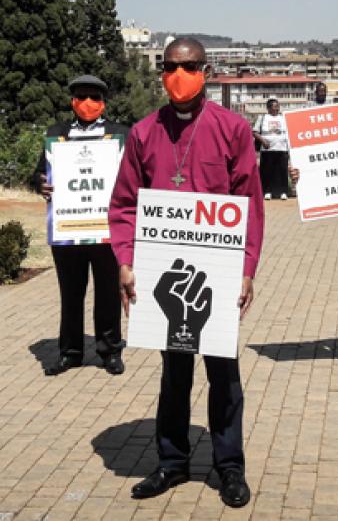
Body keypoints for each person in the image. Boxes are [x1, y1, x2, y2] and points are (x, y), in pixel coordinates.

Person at [109, 37, 264, 508]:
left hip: (216, 274)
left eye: (190, 66)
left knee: (224, 374)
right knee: (174, 375)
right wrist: (125, 260)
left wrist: (246, 269)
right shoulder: (142, 132)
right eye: (172, 66)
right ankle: (172, 462)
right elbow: (124, 204)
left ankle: (229, 466)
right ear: (162, 72)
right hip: (164, 277)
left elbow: (250, 203)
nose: (180, 75)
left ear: (206, 70)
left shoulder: (232, 129)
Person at [31, 74, 127, 376]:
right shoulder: (56, 135)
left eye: (94, 98)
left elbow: (135, 174)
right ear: (73, 101)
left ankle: (109, 350)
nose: (88, 103)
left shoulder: (120, 134)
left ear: (104, 102)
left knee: (109, 292)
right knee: (71, 293)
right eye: (81, 97)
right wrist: (40, 184)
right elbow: (38, 174)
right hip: (68, 228)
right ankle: (70, 352)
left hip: (105, 229)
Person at [252, 98, 289, 200]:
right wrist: (263, 141)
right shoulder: (263, 118)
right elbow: (254, 132)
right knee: (267, 171)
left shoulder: (283, 118)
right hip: (267, 149)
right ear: (268, 108)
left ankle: (283, 192)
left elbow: (288, 132)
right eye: (274, 106)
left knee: (282, 171)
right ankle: (267, 192)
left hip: (282, 148)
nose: (277, 109)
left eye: (278, 106)